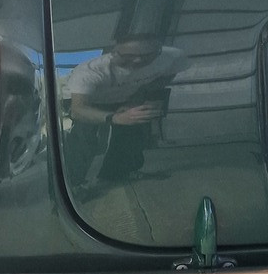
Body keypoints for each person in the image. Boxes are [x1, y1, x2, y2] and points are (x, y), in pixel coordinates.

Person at [65, 34, 186, 185]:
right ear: (114, 52)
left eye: (147, 56)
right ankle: (72, 183)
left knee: (132, 133)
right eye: (128, 56)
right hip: (90, 101)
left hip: (127, 96)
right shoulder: (89, 72)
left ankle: (118, 174)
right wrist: (115, 118)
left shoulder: (172, 57)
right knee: (84, 136)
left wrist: (137, 100)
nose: (137, 60)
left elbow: (165, 76)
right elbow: (78, 110)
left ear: (159, 51)